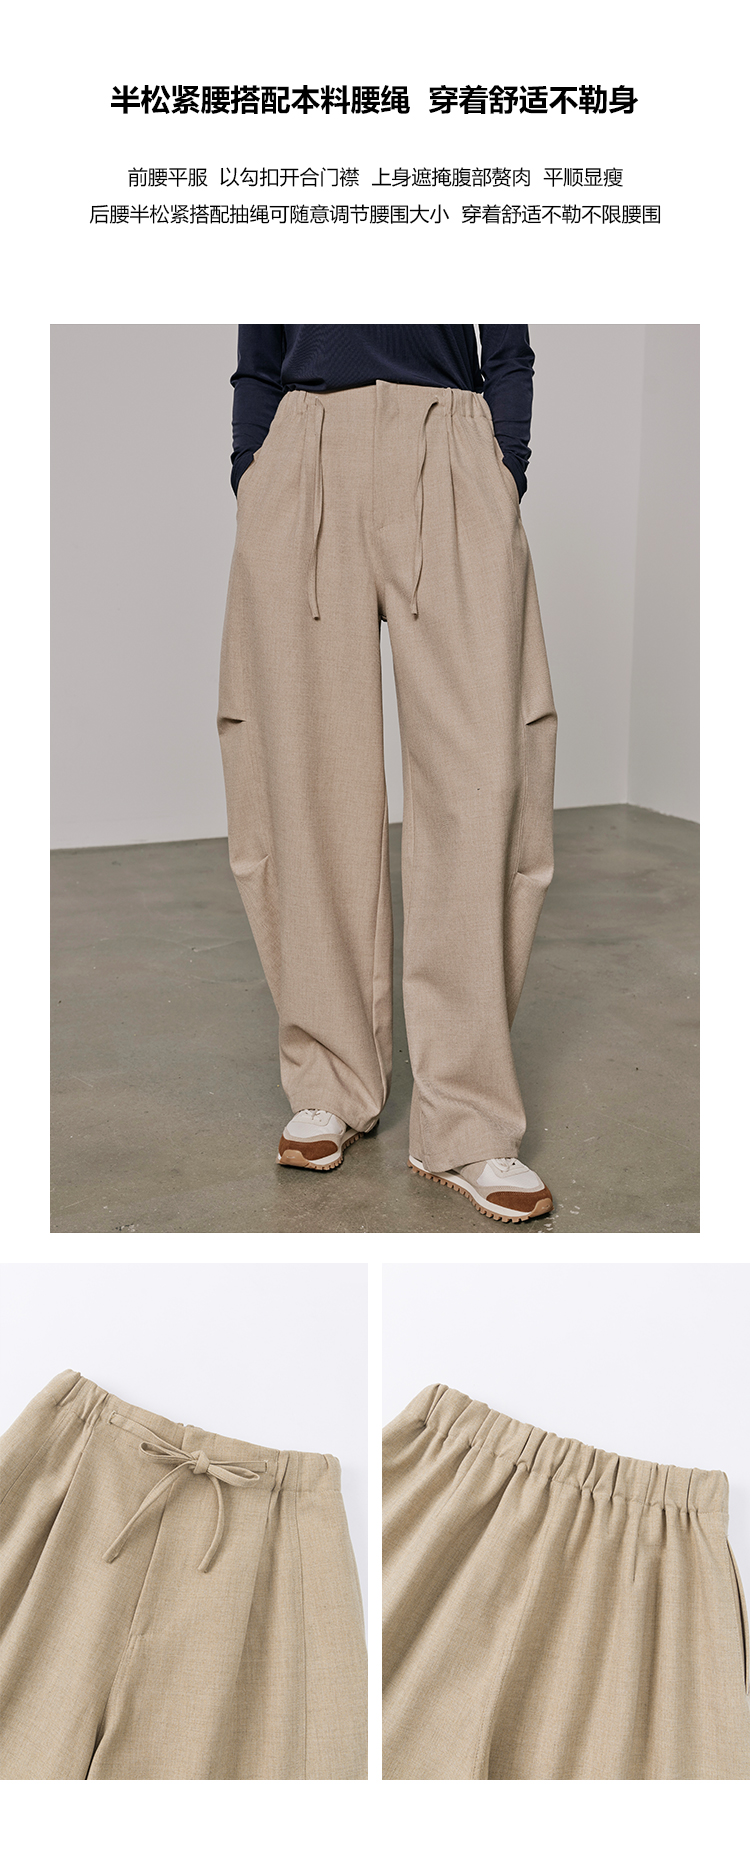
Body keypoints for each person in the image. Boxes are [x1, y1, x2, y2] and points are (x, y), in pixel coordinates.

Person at [218, 326, 556, 1222]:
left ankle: (468, 1119)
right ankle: (329, 1076)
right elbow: (259, 351)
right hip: (303, 446)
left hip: (451, 441)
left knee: (483, 781)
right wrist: (254, 470)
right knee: (305, 781)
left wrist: (502, 465)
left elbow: (508, 343)